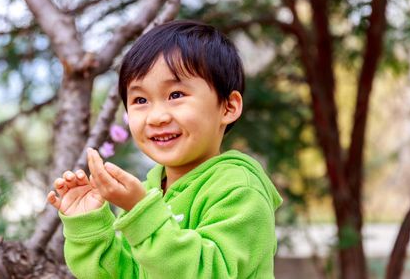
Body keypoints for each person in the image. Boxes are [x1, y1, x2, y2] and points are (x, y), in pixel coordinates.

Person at [47, 20, 283, 278]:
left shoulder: (239, 189)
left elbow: (211, 272)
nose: (157, 117)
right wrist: (88, 224)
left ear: (228, 107)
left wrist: (142, 216)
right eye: (140, 100)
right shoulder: (147, 192)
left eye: (176, 95)